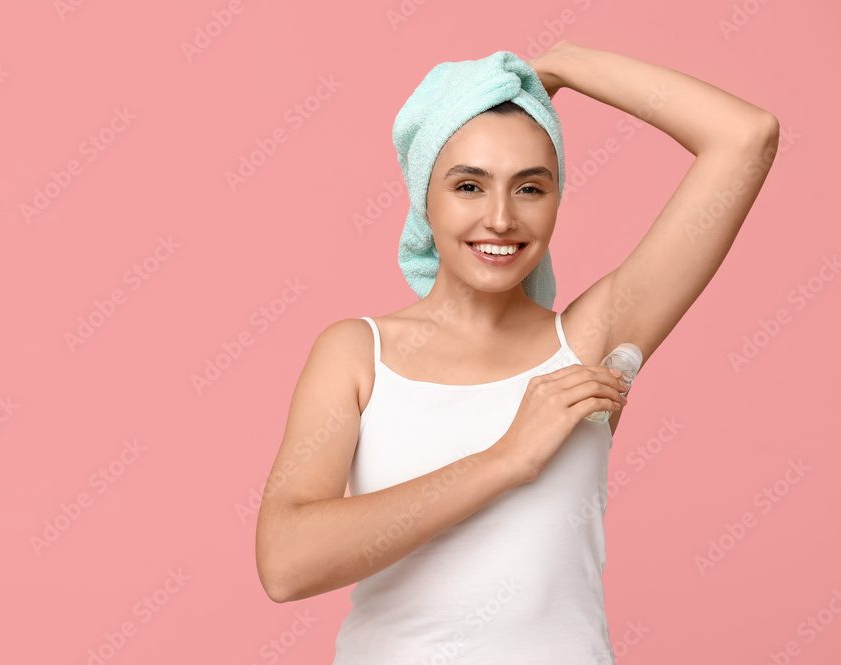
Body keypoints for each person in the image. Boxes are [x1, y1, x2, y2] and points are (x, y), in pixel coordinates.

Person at [255, 40, 778, 663]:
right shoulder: (357, 353)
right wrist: (506, 458)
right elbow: (285, 564)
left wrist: (562, 67)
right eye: (469, 186)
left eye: (531, 188)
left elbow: (746, 137)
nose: (501, 218)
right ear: (426, 199)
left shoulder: (591, 343)